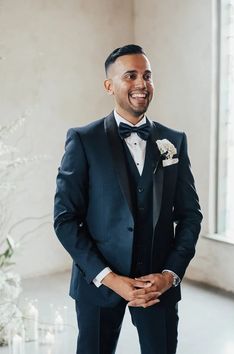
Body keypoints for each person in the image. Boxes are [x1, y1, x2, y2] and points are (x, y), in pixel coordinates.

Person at [54, 44, 202, 354]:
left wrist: (170, 275)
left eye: (147, 75)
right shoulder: (84, 140)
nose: (141, 84)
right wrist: (110, 278)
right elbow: (65, 219)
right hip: (99, 285)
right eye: (130, 75)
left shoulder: (173, 140)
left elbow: (189, 215)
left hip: (156, 285)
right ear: (109, 85)